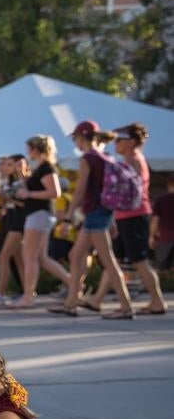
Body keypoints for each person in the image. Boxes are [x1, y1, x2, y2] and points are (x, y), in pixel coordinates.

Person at [49, 121, 135, 320]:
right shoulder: (104, 157)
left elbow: (80, 190)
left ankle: (126, 307)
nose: (75, 142)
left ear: (82, 138)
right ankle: (70, 304)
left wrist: (68, 217)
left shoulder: (88, 158)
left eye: (75, 138)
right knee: (75, 255)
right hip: (100, 213)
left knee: (108, 260)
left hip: (94, 215)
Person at [80, 123, 166, 316]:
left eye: (120, 139)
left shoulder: (133, 159)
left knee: (139, 261)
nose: (116, 143)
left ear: (131, 142)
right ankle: (97, 299)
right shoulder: (129, 159)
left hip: (134, 216)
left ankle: (157, 301)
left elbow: (128, 192)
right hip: (126, 216)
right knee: (114, 260)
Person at [9, 136, 70, 309]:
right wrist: (22, 176)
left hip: (39, 215)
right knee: (42, 258)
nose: (28, 152)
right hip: (39, 215)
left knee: (29, 257)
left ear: (36, 149)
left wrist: (29, 195)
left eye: (29, 149)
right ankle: (74, 284)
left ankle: (28, 297)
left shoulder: (46, 168)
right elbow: (30, 188)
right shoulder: (41, 168)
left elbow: (54, 192)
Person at [0, 155, 27, 304]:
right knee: (18, 259)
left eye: (10, 164)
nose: (7, 167)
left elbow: (23, 203)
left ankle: (1, 293)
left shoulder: (21, 182)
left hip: (18, 220)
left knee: (3, 257)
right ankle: (27, 292)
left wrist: (5, 196)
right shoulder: (10, 182)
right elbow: (6, 202)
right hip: (11, 219)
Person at [152, 175, 174, 272]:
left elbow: (155, 220)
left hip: (165, 238)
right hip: (165, 238)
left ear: (169, 185)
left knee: (161, 269)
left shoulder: (161, 199)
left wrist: (152, 236)